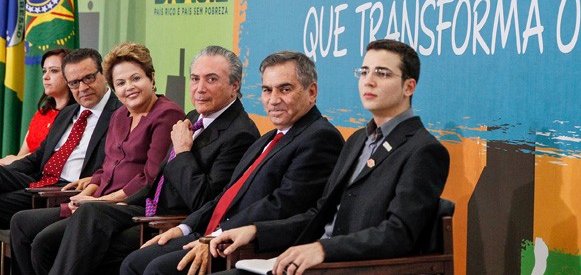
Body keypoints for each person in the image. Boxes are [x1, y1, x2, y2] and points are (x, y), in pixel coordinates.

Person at [207, 40, 450, 275]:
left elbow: (398, 235)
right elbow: (318, 214)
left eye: (382, 74)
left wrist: (323, 249)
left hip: (346, 267)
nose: (369, 81)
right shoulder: (357, 141)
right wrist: (256, 231)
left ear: (409, 86)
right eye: (364, 72)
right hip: (308, 263)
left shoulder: (423, 150)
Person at [12, 45, 260, 275]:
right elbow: (150, 176)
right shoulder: (196, 115)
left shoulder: (239, 133)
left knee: (90, 222)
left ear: (235, 85)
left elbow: (205, 200)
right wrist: (112, 200)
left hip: (167, 217)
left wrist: (183, 153)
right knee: (48, 241)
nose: (200, 88)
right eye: (195, 79)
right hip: (142, 205)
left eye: (211, 79)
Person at [120, 50, 345, 275]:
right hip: (211, 234)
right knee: (134, 262)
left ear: (311, 92)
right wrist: (184, 227)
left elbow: (281, 206)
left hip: (245, 244)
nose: (273, 100)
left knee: (157, 270)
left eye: (285, 89)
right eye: (267, 90)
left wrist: (217, 236)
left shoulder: (319, 137)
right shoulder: (269, 138)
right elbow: (227, 195)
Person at [10, 42, 185, 275]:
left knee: (89, 214)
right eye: (121, 83)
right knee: (38, 238)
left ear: (151, 78)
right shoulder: (120, 114)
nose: (129, 88)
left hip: (136, 205)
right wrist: (85, 194)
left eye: (136, 79)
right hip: (99, 204)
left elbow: (149, 178)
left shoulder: (166, 114)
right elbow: (106, 168)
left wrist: (102, 201)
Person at [0, 48, 121, 229]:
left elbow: (115, 166)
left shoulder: (120, 114)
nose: (82, 88)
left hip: (66, 190)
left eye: (88, 78)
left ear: (103, 74)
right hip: (40, 181)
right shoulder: (66, 113)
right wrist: (6, 171)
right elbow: (37, 158)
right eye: (74, 83)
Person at [0, 48, 76, 166]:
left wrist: (13, 160)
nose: (45, 77)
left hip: (46, 175)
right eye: (44, 71)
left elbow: (50, 155)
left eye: (54, 71)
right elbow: (21, 154)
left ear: (70, 76)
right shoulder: (42, 113)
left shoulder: (76, 115)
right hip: (24, 170)